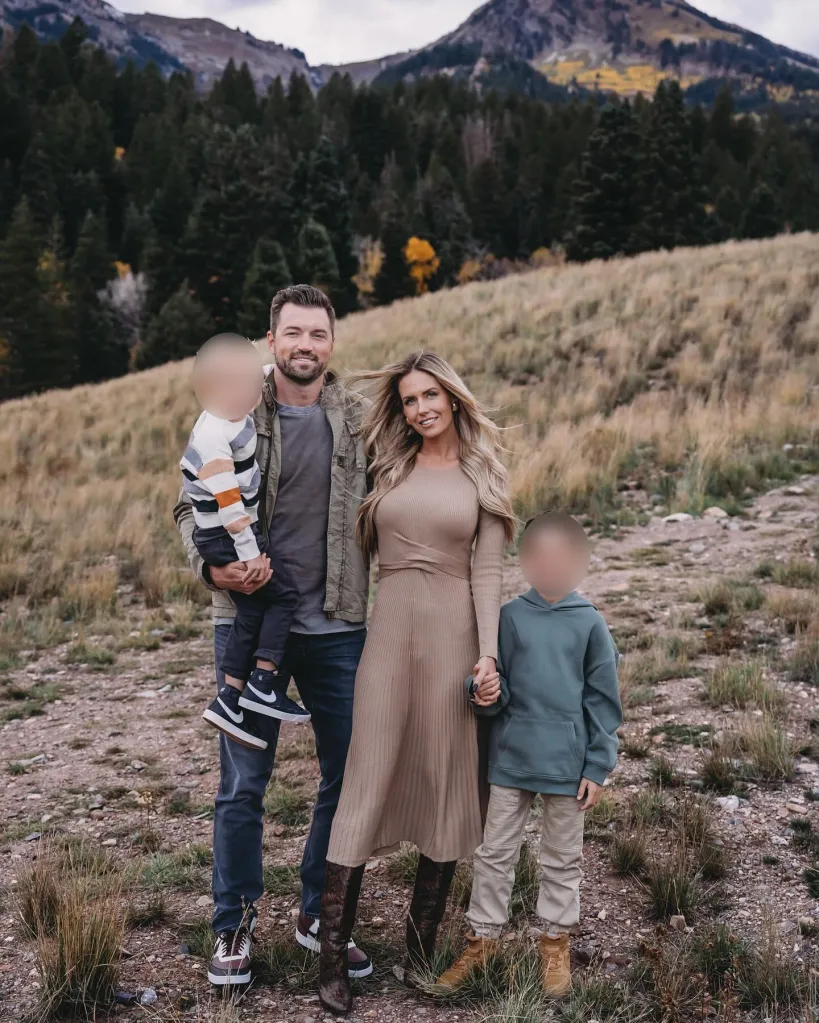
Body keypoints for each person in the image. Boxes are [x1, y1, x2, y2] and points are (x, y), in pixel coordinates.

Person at [174, 285, 373, 988]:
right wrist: (212, 564)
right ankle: (232, 919)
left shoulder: (357, 418)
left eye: (317, 334)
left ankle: (320, 912)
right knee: (242, 784)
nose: (305, 345)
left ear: (331, 343)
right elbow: (188, 498)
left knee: (346, 779)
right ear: (270, 338)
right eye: (293, 332)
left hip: (337, 625)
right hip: (250, 620)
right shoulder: (233, 407)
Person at [316, 350, 516, 1016]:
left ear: (452, 398)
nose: (420, 408)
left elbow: (486, 574)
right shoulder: (388, 465)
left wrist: (487, 656)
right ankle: (330, 957)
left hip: (454, 638)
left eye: (430, 395)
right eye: (408, 399)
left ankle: (418, 948)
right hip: (387, 637)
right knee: (365, 777)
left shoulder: (481, 474)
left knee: (444, 779)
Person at [433, 512, 622, 998]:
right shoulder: (510, 618)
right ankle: (482, 941)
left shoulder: (589, 623)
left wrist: (598, 765)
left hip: (568, 767)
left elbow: (603, 702)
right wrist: (484, 692)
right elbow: (498, 693)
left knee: (561, 858)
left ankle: (554, 943)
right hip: (511, 760)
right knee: (495, 854)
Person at [181, 334, 308, 752]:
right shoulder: (214, 434)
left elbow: (261, 373)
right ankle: (263, 681)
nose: (250, 392)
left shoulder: (240, 399)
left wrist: (268, 361)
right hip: (225, 534)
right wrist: (251, 556)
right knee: (283, 595)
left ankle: (229, 699)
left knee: (251, 609)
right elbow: (231, 506)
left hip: (233, 531)